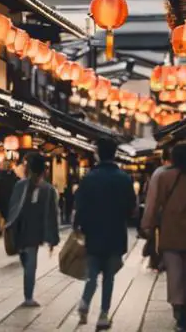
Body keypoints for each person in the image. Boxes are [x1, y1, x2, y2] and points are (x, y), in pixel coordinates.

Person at [142, 141, 186, 331]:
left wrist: (148, 225)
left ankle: (179, 311)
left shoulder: (164, 177)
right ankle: (185, 310)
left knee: (175, 274)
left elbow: (153, 203)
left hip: (171, 232)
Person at [74, 137, 138, 330]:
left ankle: (85, 301)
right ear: (115, 153)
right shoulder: (124, 178)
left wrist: (78, 226)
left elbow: (80, 206)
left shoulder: (89, 178)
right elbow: (131, 208)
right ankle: (103, 314)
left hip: (93, 231)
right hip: (115, 231)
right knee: (109, 276)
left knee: (92, 272)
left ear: (97, 153)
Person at [6, 152, 60, 308]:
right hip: (32, 230)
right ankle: (28, 296)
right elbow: (51, 215)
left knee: (28, 262)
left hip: (22, 229)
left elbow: (13, 207)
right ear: (44, 171)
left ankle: (28, 294)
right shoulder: (47, 189)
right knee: (30, 263)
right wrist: (52, 238)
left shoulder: (21, 185)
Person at [142, 147, 173, 271]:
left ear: (163, 160)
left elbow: (152, 199)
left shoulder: (159, 173)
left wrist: (146, 222)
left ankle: (158, 261)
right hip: (180, 220)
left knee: (158, 239)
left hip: (161, 215)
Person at [0, 159, 18, 232]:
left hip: (2, 201)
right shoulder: (14, 177)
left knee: (5, 217)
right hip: (13, 202)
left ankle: (4, 230)